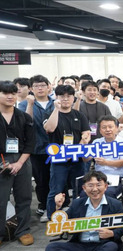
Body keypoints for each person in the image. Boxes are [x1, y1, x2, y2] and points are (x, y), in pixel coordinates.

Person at [44, 171, 123, 251]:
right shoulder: (77, 204)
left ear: (106, 186)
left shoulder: (115, 204)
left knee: (112, 247)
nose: (94, 189)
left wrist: (112, 234)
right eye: (90, 185)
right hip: (80, 245)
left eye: (98, 185)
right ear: (84, 188)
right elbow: (61, 224)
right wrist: (58, 208)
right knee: (51, 249)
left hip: (102, 245)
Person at [44, 85, 90, 220]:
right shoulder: (50, 113)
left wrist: (75, 152)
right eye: (61, 96)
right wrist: (56, 110)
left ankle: (78, 217)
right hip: (58, 160)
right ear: (56, 97)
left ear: (73, 98)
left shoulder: (79, 115)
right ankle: (53, 219)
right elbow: (50, 129)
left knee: (80, 189)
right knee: (56, 190)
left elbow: (86, 134)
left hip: (77, 160)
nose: (65, 99)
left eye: (68, 96)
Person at [0, 81, 35, 246]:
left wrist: (20, 163)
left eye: (13, 93)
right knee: (1, 198)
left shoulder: (24, 117)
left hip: (22, 159)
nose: (9, 96)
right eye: (5, 93)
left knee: (24, 197)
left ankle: (23, 230)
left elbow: (30, 143)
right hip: (1, 160)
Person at [18, 75, 54, 217]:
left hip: (56, 147)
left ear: (48, 87)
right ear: (31, 88)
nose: (40, 88)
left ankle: (59, 205)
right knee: (41, 179)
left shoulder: (54, 103)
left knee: (57, 178)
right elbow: (25, 123)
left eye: (43, 85)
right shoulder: (24, 104)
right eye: (37, 86)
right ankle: (43, 204)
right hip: (37, 148)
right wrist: (30, 105)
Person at [82, 115, 123, 198]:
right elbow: (86, 159)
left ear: (116, 128)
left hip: (116, 178)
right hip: (98, 178)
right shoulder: (97, 142)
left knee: (107, 194)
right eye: (104, 127)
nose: (107, 130)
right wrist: (85, 144)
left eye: (110, 127)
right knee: (84, 194)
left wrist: (105, 162)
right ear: (100, 130)